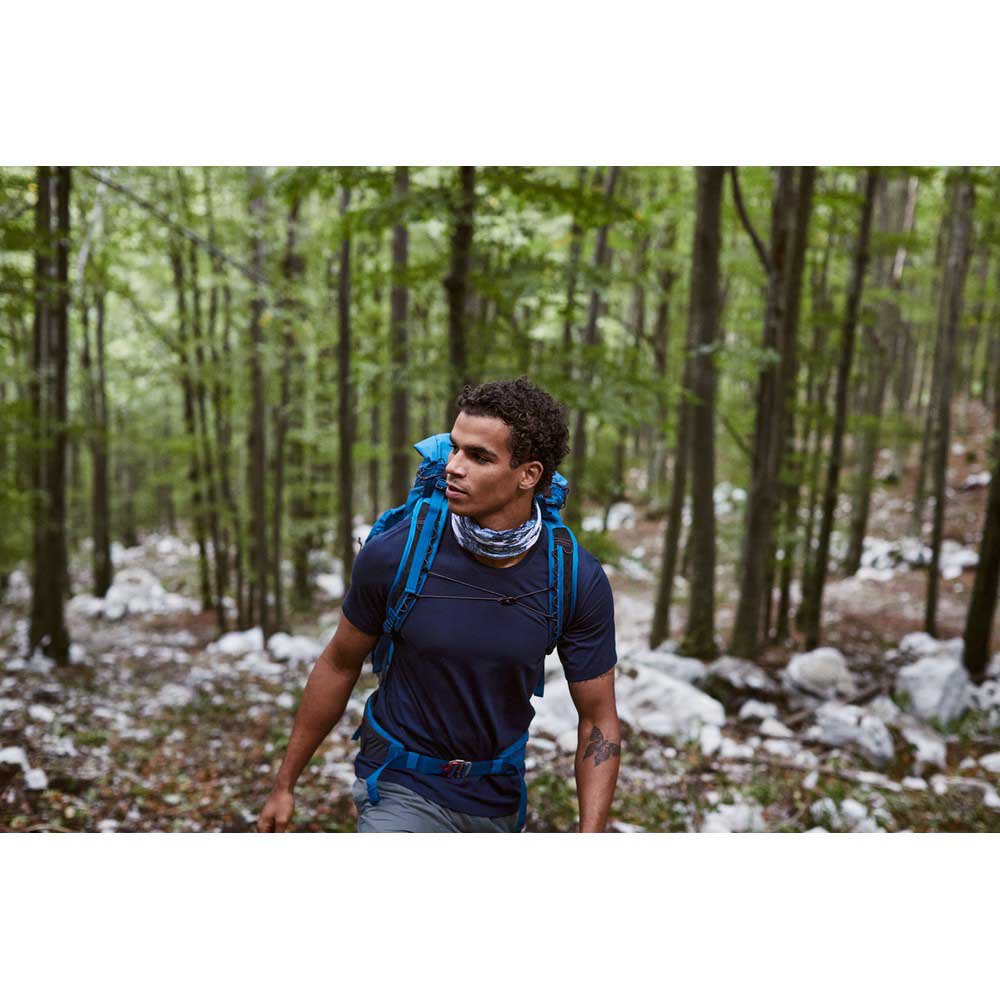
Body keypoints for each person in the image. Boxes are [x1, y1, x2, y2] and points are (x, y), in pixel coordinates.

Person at [257, 377, 620, 833]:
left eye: (479, 457)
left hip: (496, 797)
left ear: (528, 475)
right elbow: (338, 663)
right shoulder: (397, 553)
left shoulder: (573, 578)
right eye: (454, 448)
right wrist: (285, 784)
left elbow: (597, 719)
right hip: (400, 784)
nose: (453, 467)